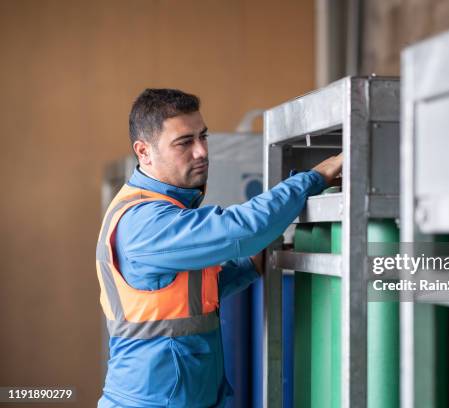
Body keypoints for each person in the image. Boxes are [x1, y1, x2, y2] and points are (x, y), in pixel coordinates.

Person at [96, 88, 342, 407]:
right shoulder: (144, 220)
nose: (201, 152)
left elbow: (192, 295)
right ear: (144, 152)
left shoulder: (166, 208)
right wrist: (316, 177)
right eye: (184, 142)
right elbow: (240, 229)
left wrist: (251, 265)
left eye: (203, 137)